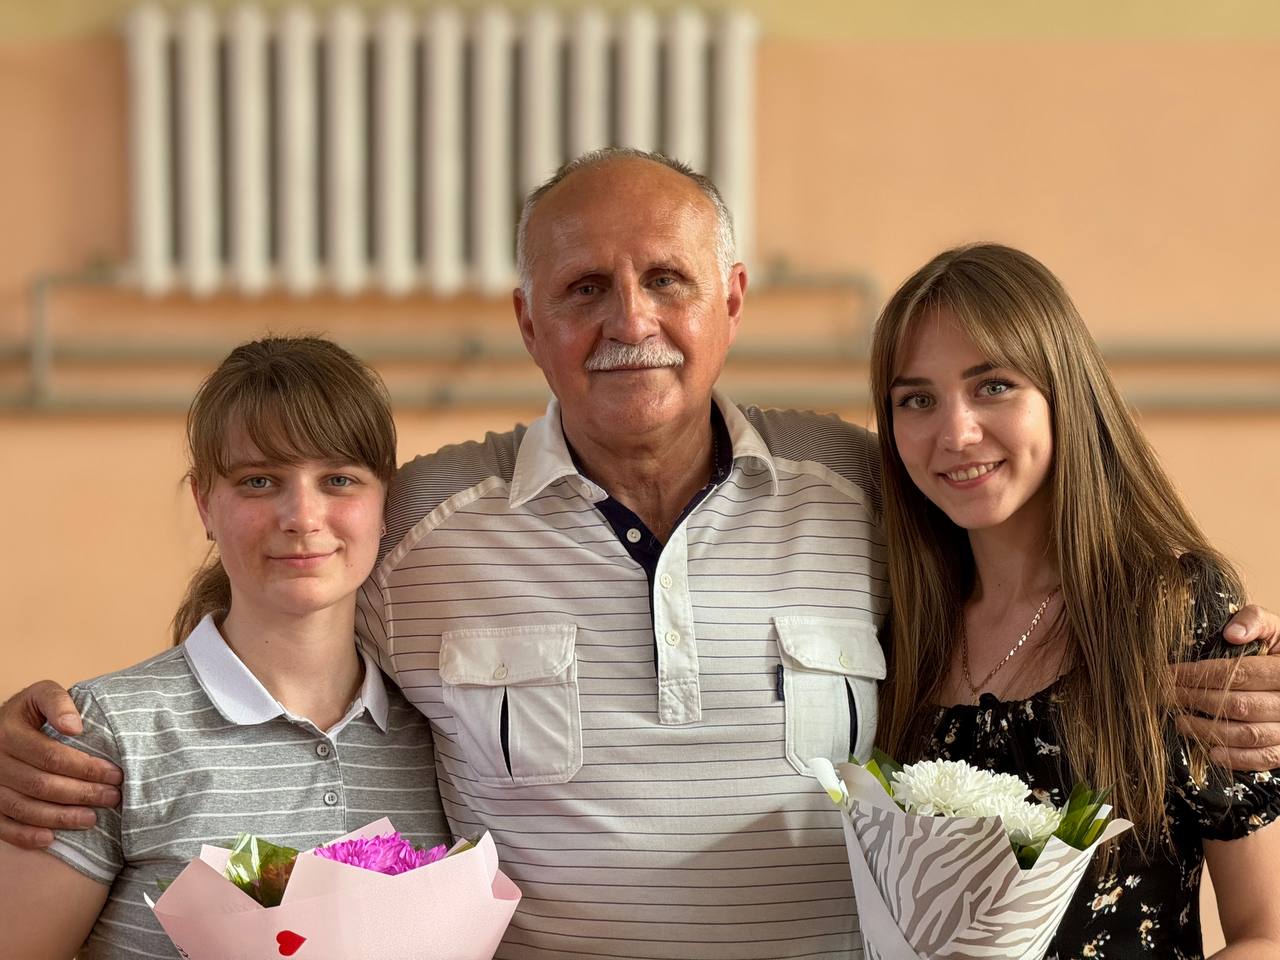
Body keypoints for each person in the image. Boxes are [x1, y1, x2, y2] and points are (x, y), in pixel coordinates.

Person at [3, 151, 1280, 959]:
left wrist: (1240, 665)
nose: (630, 320)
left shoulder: (864, 492)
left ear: (730, 301)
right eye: (582, 290)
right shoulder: (433, 520)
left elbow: (1036, 585)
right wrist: (63, 732)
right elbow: (284, 592)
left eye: (667, 279)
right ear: (527, 323)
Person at [869, 243, 1280, 957]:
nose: (956, 433)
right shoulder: (894, 626)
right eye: (917, 400)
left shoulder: (1171, 611)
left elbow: (1265, 931)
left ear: (1064, 394)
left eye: (993, 386)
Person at [0, 337, 450, 958]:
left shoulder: (443, 726)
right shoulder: (108, 735)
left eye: (338, 480)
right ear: (204, 504)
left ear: (384, 500)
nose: (302, 516)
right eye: (259, 481)